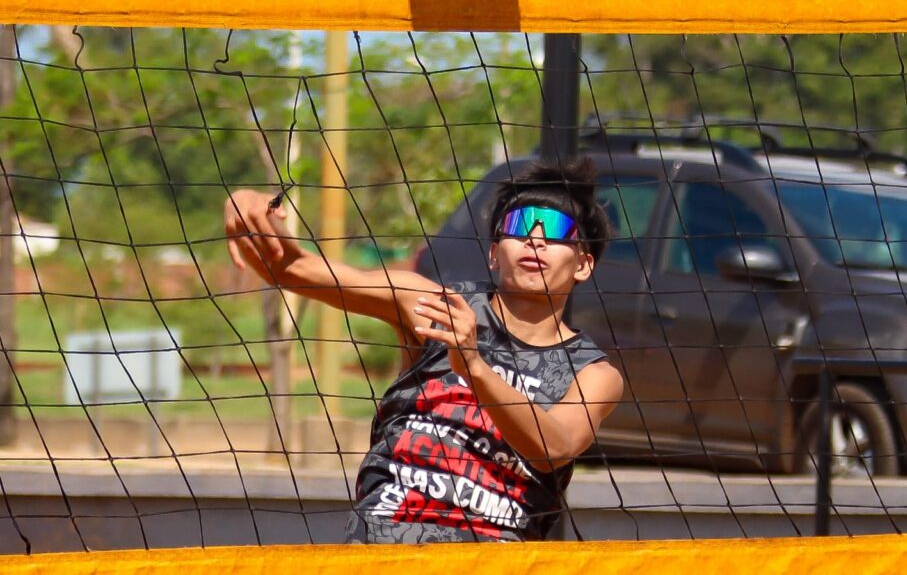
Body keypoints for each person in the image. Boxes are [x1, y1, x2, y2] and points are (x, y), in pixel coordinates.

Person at [223, 157, 623, 543]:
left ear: (583, 264)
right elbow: (293, 269)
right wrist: (246, 206)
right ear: (493, 254)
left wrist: (475, 367)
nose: (534, 238)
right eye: (518, 225)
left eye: (555, 228)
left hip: (491, 555)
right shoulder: (434, 305)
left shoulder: (593, 373)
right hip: (384, 543)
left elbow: (553, 448)